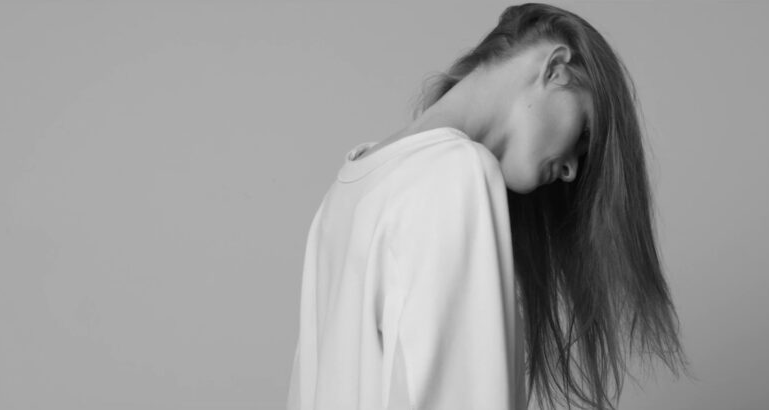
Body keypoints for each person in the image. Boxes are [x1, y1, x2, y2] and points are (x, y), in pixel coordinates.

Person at [286, 3, 693, 410]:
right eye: (584, 132)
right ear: (556, 68)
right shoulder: (455, 171)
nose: (572, 169)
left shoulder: (352, 184)